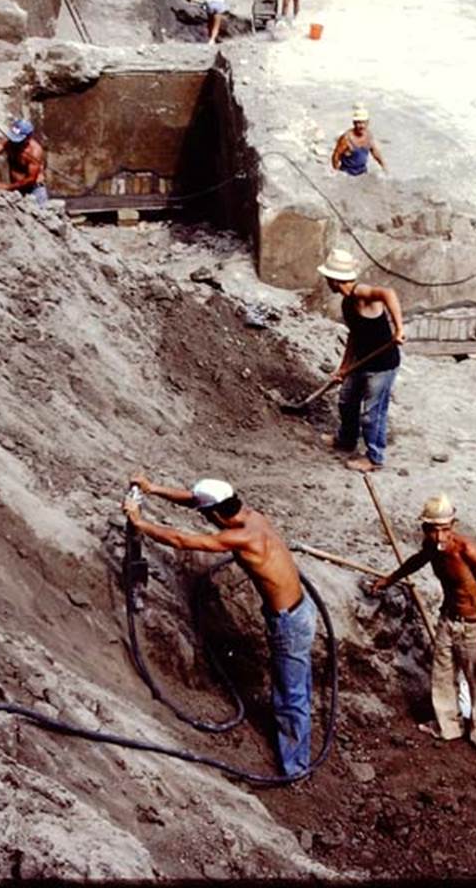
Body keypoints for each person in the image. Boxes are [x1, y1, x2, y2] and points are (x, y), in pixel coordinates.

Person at [122, 474, 317, 777]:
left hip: (289, 623)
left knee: (289, 695)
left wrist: (140, 523)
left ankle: (295, 768)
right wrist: (153, 489)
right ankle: (300, 737)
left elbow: (182, 540)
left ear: (215, 514)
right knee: (297, 681)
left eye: (206, 515)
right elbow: (194, 499)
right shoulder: (250, 516)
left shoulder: (241, 538)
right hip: (301, 611)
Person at [370, 494, 476, 758]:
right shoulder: (432, 546)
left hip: (473, 625)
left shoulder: (468, 549)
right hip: (448, 620)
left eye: (446, 529)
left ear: (453, 525)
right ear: (425, 529)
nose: (440, 536)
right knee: (443, 675)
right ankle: (448, 726)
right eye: (434, 530)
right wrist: (391, 578)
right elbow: (419, 559)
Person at [318, 248, 405, 472]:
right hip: (362, 361)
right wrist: (343, 368)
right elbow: (353, 336)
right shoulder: (347, 303)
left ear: (335, 280)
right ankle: (346, 439)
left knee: (372, 414)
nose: (326, 281)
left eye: (328, 278)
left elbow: (389, 294)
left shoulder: (361, 293)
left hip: (382, 365)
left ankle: (374, 458)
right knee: (346, 400)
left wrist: (399, 329)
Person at [0, 118, 48, 205]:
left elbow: (31, 179)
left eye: (18, 139)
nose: (14, 142)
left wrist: (7, 187)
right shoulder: (10, 142)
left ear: (28, 138)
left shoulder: (34, 152)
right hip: (17, 189)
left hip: (34, 190)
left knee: (36, 215)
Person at [332, 104, 386, 176]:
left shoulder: (368, 135)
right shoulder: (346, 139)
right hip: (348, 174)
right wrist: (336, 171)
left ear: (368, 123)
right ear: (354, 123)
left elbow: (374, 152)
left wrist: (383, 165)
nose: (361, 126)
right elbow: (336, 155)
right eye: (359, 123)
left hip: (363, 172)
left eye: (364, 122)